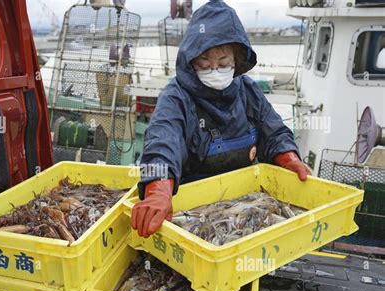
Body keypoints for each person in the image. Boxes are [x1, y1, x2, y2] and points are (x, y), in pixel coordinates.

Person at [132, 0, 311, 238]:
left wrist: (289, 158)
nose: (215, 69)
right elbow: (162, 141)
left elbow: (275, 131)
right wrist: (158, 189)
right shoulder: (175, 97)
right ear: (191, 59)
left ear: (237, 61)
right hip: (190, 207)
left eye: (223, 63)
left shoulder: (248, 91)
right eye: (205, 62)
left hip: (243, 202)